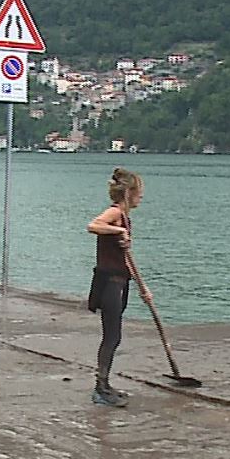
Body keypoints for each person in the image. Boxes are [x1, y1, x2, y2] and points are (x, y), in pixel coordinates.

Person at [84, 168, 149, 408]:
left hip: (119, 282)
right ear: (128, 193)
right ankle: (100, 389)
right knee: (112, 336)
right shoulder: (115, 213)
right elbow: (93, 225)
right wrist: (119, 230)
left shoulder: (125, 218)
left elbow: (125, 259)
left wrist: (143, 288)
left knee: (114, 336)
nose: (141, 197)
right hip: (108, 284)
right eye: (139, 193)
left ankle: (105, 384)